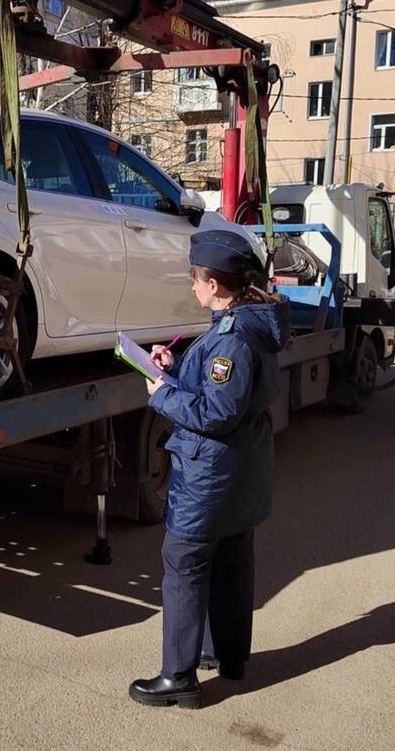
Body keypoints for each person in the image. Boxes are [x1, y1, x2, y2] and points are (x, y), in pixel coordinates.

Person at [129, 229, 290, 710]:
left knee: (184, 565)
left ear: (215, 285)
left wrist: (162, 393)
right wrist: (176, 366)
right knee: (233, 559)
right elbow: (226, 395)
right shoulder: (246, 323)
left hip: (211, 472)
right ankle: (229, 656)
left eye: (195, 280)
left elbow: (217, 413)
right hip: (242, 467)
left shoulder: (233, 338)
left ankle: (178, 678)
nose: (192, 288)